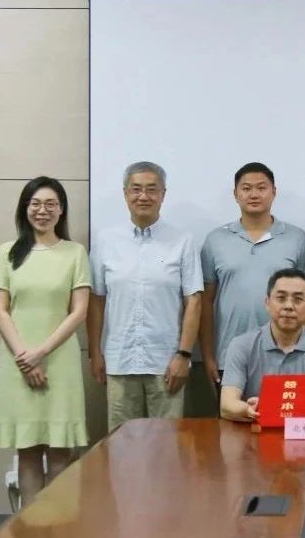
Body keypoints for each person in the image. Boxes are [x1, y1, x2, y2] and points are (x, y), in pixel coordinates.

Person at [0, 176, 91, 507]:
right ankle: (31, 525)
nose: (42, 211)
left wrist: (41, 353)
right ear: (24, 208)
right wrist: (25, 357)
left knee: (60, 449)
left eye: (50, 204)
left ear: (61, 211)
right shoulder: (7, 252)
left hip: (59, 361)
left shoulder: (75, 253)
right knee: (28, 450)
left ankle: (58, 525)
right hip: (17, 361)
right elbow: (0, 310)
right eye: (35, 204)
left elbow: (79, 312)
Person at [88, 161, 202, 431]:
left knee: (167, 445)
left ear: (163, 194)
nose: (143, 196)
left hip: (166, 363)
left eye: (152, 189)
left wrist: (184, 355)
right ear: (125, 193)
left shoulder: (182, 241)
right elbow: (96, 300)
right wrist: (95, 353)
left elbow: (194, 301)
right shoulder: (106, 241)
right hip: (119, 360)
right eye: (136, 189)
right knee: (121, 445)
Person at [201, 162, 305, 412]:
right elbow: (205, 302)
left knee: (283, 427)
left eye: (261, 187)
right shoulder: (216, 240)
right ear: (235, 193)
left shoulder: (297, 238)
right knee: (233, 428)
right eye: (246, 188)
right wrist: (207, 356)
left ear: (274, 192)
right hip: (229, 355)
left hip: (287, 355)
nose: (254, 194)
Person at [219, 269, 305, 422]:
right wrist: (249, 410)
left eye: (298, 299)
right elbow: (227, 405)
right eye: (281, 298)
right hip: (255, 430)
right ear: (267, 303)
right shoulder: (241, 346)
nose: (289, 306)